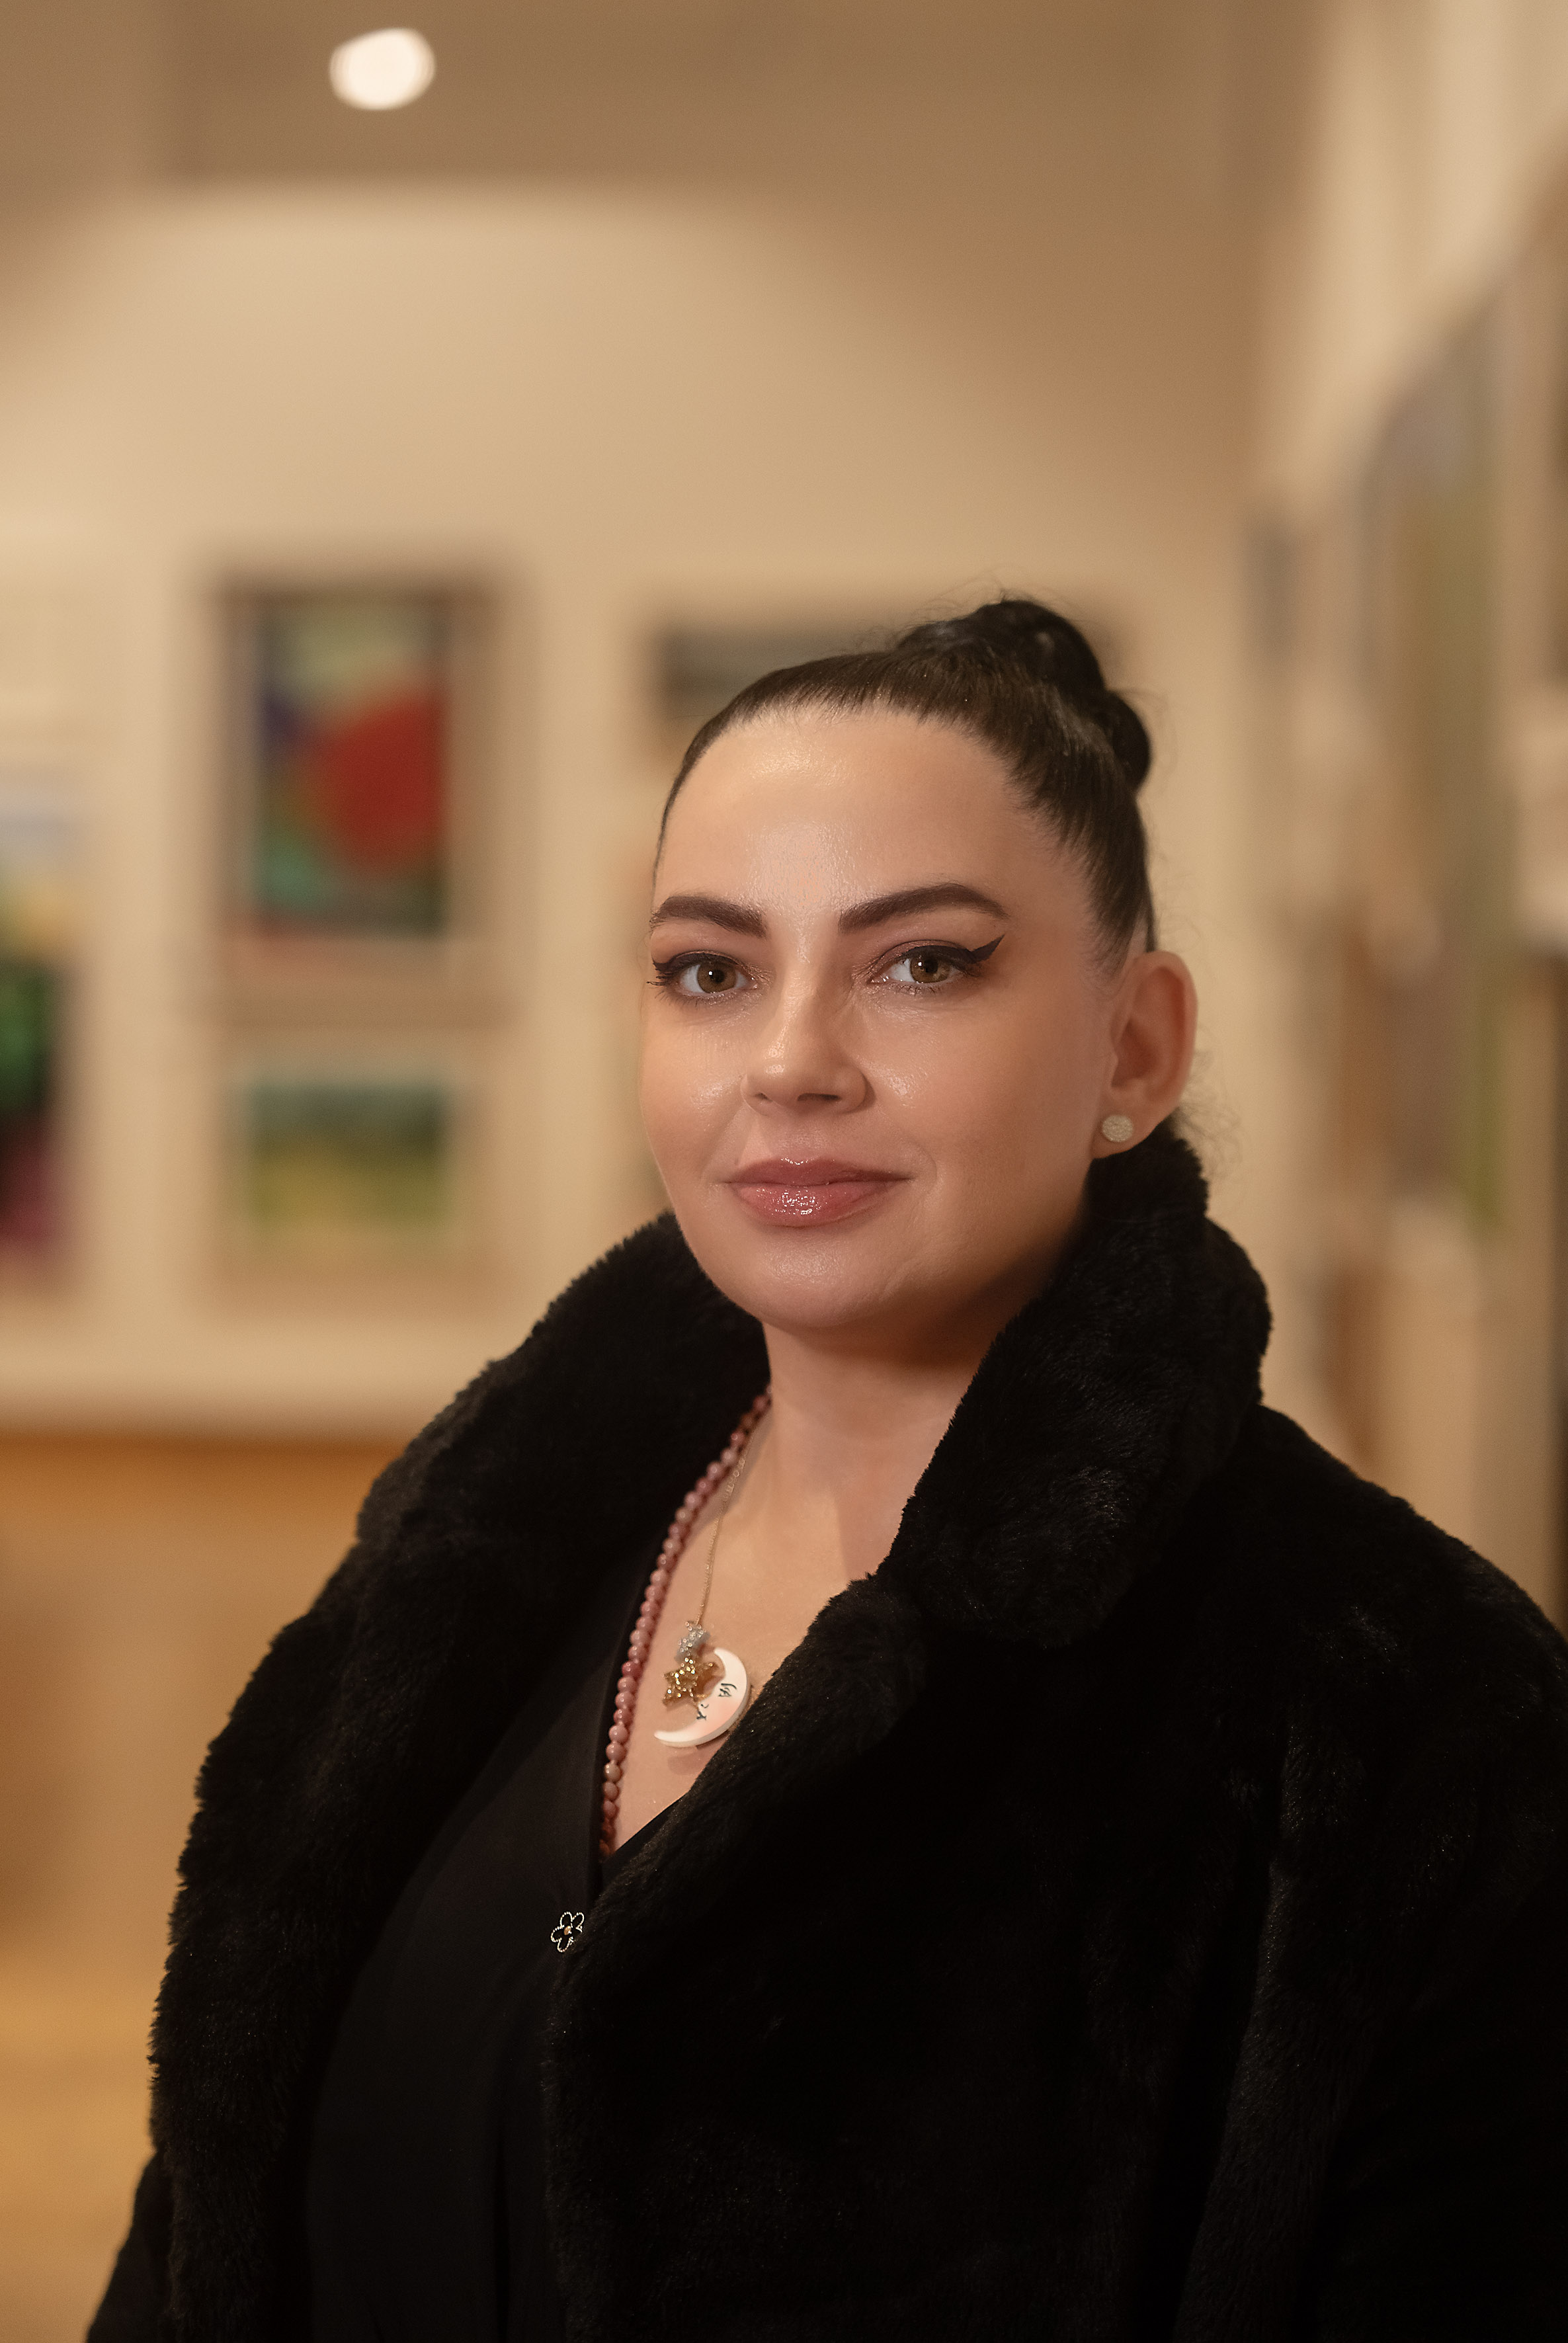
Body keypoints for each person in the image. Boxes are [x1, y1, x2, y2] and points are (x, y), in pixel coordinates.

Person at [93, 598, 1568, 2343]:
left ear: (1137, 1047)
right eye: (708, 970)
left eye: (920, 964)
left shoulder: (1400, 1707)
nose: (789, 1062)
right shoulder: (467, 1554)